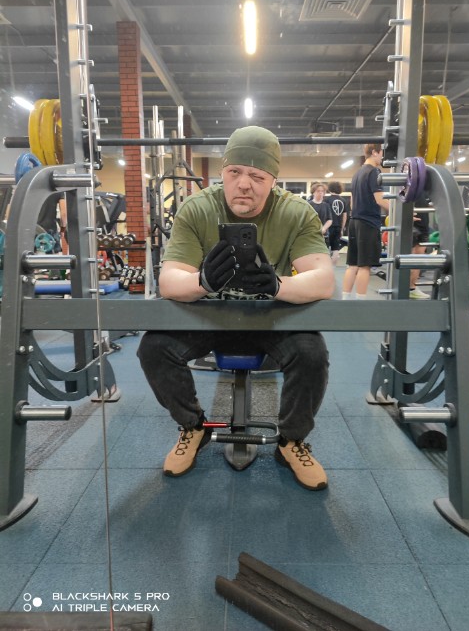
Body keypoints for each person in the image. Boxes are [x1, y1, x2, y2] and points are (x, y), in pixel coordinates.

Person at [137, 126, 335, 491]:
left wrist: (279, 285)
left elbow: (323, 279)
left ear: (273, 181)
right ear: (223, 172)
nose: (244, 184)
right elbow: (169, 281)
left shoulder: (296, 213)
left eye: (257, 177)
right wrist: (203, 282)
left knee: (311, 353)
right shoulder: (197, 209)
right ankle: (193, 426)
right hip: (209, 316)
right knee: (154, 347)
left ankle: (291, 441)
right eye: (234, 172)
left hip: (272, 316)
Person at [342, 143, 389, 299]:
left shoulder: (357, 173)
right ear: (375, 152)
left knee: (352, 265)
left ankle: (345, 300)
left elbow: (352, 203)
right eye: (381, 153)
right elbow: (380, 200)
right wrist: (401, 212)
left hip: (354, 222)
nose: (382, 157)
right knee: (364, 266)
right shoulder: (374, 172)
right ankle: (360, 303)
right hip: (368, 223)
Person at [324, 180, 348, 265]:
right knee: (336, 249)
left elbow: (325, 214)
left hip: (328, 227)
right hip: (338, 226)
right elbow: (344, 216)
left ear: (330, 188)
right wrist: (342, 228)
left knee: (325, 248)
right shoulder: (343, 200)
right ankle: (333, 268)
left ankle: (326, 266)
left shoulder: (327, 200)